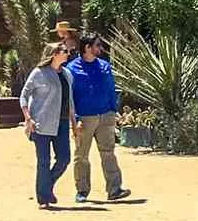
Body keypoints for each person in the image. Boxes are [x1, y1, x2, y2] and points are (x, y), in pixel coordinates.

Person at [67, 32, 129, 203]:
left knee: (108, 152)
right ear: (87, 48)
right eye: (97, 45)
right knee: (82, 156)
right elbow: (69, 97)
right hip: (84, 119)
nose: (101, 48)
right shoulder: (72, 69)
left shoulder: (104, 66)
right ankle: (82, 190)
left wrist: (113, 110)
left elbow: (111, 88)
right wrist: (75, 119)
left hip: (105, 117)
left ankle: (114, 189)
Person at [22, 41, 73, 210]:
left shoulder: (67, 74)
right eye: (64, 50)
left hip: (62, 122)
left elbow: (70, 101)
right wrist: (28, 118)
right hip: (41, 122)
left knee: (64, 159)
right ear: (54, 54)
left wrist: (74, 122)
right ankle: (44, 197)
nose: (67, 53)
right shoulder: (39, 73)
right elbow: (24, 95)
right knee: (44, 160)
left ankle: (46, 187)